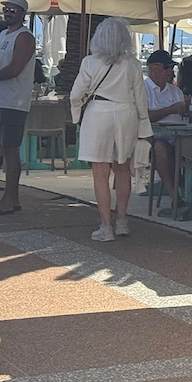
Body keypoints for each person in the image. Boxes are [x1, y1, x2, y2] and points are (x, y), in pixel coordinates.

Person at [70, 17, 153, 242]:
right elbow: (141, 100)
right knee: (123, 168)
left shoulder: (89, 62)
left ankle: (106, 225)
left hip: (98, 112)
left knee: (100, 172)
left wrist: (77, 113)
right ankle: (122, 220)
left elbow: (76, 94)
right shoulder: (133, 64)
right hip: (127, 113)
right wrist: (144, 126)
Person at [0, 0, 36, 215]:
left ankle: (10, 197)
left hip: (14, 101)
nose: (8, 13)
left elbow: (15, 68)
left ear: (23, 14)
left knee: (10, 150)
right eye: (6, 9)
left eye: (13, 10)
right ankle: (10, 198)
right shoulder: (2, 35)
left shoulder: (24, 37)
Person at [146, 49, 188, 205]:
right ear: (152, 68)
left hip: (180, 136)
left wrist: (186, 111)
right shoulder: (142, 89)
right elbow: (144, 117)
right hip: (154, 138)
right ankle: (174, 194)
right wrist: (171, 110)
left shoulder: (175, 91)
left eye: (172, 67)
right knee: (161, 149)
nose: (170, 71)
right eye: (166, 67)